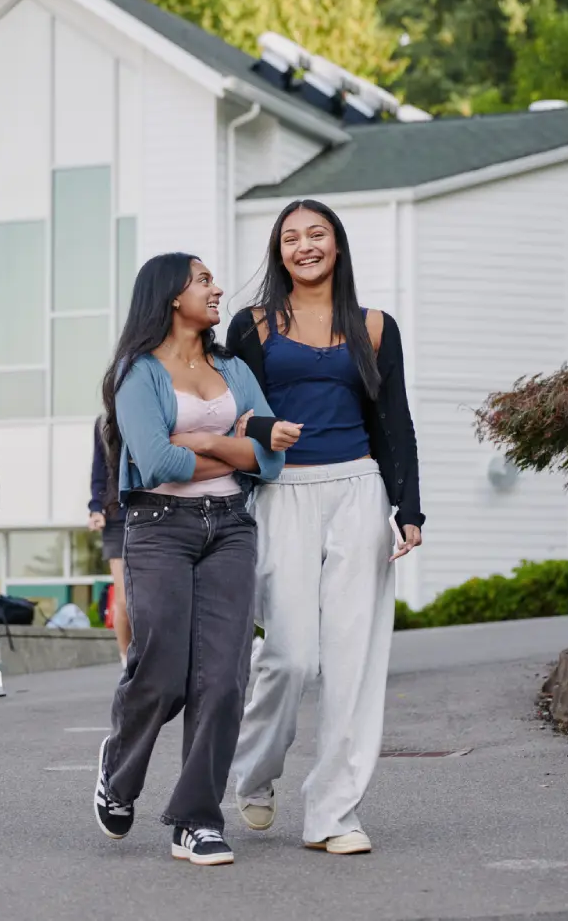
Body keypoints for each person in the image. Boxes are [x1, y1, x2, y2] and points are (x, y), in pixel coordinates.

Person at [224, 197, 424, 856]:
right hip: (282, 491)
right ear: (279, 252)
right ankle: (253, 774)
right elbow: (230, 416)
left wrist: (408, 507)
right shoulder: (250, 326)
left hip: (359, 487)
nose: (305, 245)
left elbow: (394, 420)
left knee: (352, 661)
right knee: (287, 656)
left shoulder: (373, 326)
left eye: (317, 234)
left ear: (337, 245)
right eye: (291, 237)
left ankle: (335, 813)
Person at [91, 252, 298, 866]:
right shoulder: (137, 372)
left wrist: (206, 441)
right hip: (160, 528)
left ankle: (195, 819)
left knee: (225, 678)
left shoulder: (233, 367)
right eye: (203, 280)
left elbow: (272, 458)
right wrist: (234, 444)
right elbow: (156, 462)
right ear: (169, 294)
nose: (217, 289)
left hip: (232, 526)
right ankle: (119, 768)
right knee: (161, 670)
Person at [88, 418, 131, 663]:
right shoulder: (104, 422)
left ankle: (148, 658)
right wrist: (96, 508)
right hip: (116, 517)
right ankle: (126, 661)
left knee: (148, 599)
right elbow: (99, 470)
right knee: (124, 600)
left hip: (153, 511)